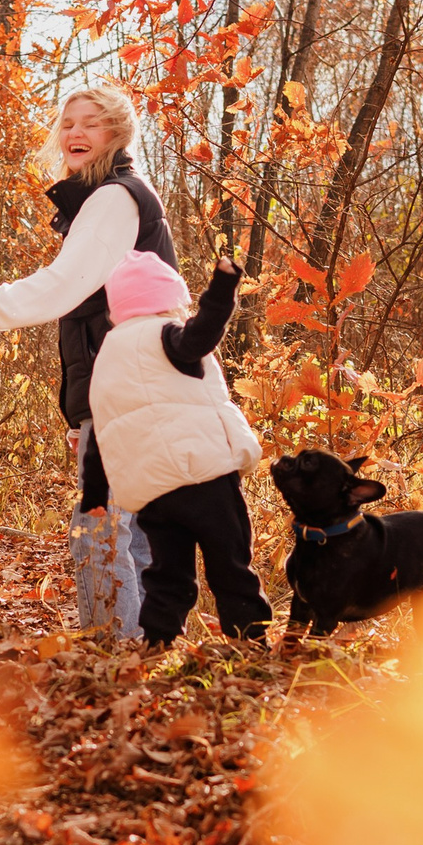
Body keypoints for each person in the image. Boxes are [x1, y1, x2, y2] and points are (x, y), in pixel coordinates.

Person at [0, 85, 178, 634]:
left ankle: (109, 653)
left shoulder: (114, 198)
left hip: (128, 389)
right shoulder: (112, 197)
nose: (76, 132)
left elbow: (63, 287)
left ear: (117, 134)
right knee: (138, 532)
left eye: (91, 123)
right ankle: (151, 650)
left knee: (102, 528)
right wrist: (81, 417)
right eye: (69, 122)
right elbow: (91, 313)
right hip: (136, 388)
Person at [86, 250, 271, 648]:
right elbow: (201, 334)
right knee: (230, 563)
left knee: (168, 573)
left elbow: (105, 430)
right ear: (170, 298)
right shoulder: (167, 334)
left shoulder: (108, 357)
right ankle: (250, 640)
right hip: (203, 477)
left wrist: (96, 493)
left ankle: (158, 642)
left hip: (154, 493)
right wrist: (222, 287)